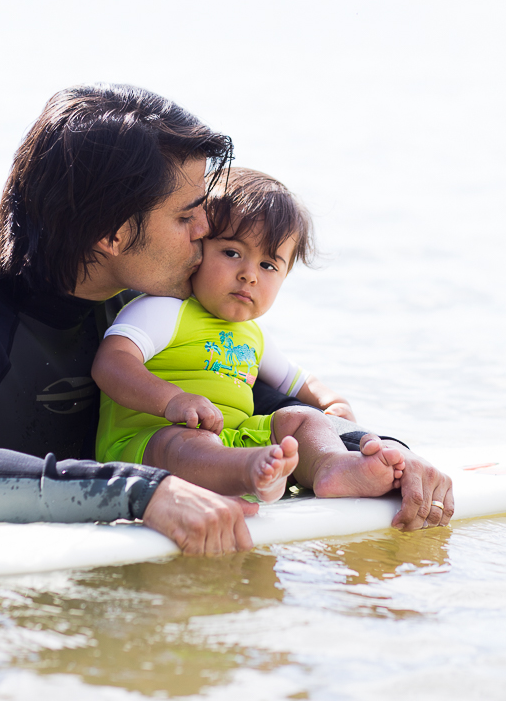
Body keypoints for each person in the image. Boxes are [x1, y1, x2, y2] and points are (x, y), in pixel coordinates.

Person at [0, 83, 453, 556]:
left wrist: (389, 457)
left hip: (119, 550)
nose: (208, 233)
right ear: (111, 234)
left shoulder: (151, 310)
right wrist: (143, 493)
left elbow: (273, 407)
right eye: (188, 216)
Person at [94, 168, 408, 502]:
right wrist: (172, 399)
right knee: (183, 443)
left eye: (268, 266)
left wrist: (332, 404)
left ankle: (331, 467)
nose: (249, 275)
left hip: (230, 443)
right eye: (232, 253)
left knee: (299, 418)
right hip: (147, 447)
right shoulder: (164, 310)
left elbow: (297, 381)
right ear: (198, 248)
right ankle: (249, 473)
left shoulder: (253, 335)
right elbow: (111, 363)